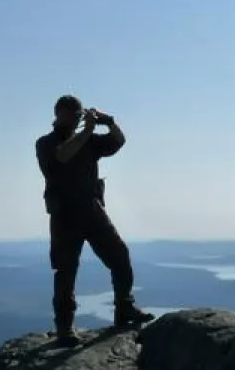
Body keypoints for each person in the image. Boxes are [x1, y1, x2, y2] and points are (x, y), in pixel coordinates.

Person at [35, 95, 154, 347]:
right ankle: (65, 328)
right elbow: (63, 156)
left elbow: (119, 141)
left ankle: (125, 308)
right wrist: (88, 130)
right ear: (59, 114)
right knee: (66, 271)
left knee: (120, 256)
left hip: (91, 210)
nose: (78, 118)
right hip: (64, 215)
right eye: (74, 114)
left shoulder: (89, 141)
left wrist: (109, 121)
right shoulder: (46, 143)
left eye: (80, 114)